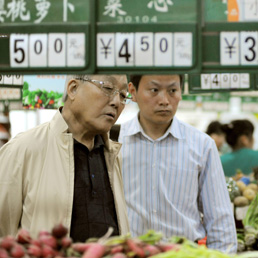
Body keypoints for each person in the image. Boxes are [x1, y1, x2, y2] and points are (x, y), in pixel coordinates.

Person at [0, 74, 130, 241]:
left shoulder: (114, 156)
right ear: (73, 89)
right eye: (108, 88)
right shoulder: (23, 149)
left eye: (123, 95)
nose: (116, 102)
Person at [118, 74, 237, 253]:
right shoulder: (114, 141)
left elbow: (220, 218)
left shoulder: (202, 145)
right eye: (154, 90)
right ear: (133, 92)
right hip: (129, 253)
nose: (165, 100)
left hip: (184, 254)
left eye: (173, 90)